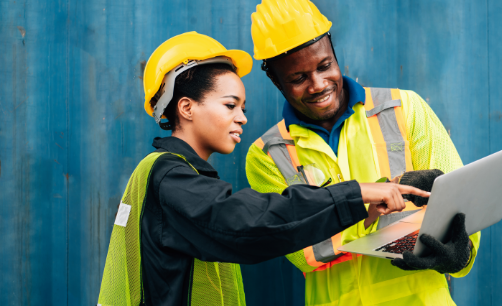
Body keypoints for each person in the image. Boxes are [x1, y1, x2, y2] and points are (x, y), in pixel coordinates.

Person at [96, 32, 430, 306]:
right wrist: (355, 194)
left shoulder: (173, 176)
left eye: (242, 107)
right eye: (230, 105)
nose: (242, 117)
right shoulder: (170, 177)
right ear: (186, 108)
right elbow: (247, 224)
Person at [245, 0, 480, 305]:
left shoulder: (404, 108)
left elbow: (460, 200)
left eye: (324, 65)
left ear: (334, 54)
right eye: (298, 78)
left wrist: (459, 254)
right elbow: (303, 252)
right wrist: (369, 209)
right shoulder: (268, 155)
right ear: (276, 81)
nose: (318, 85)